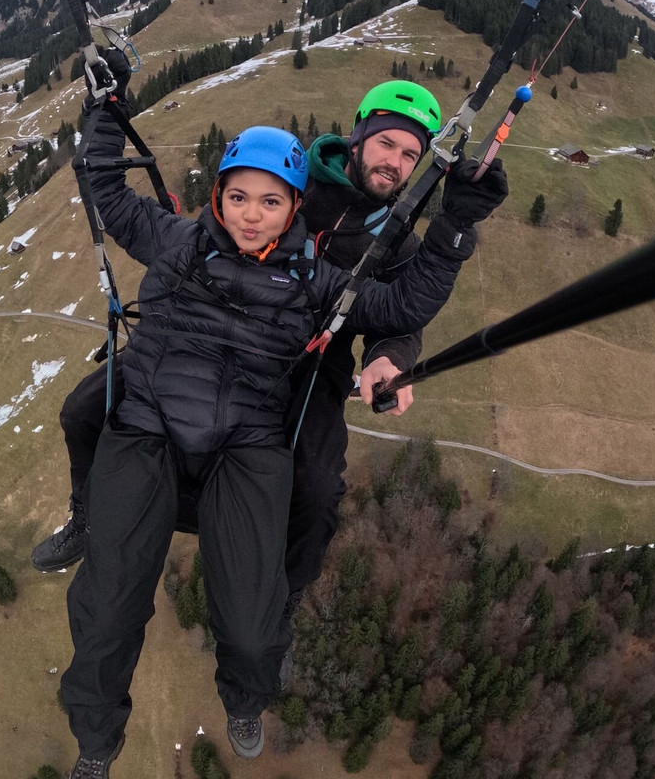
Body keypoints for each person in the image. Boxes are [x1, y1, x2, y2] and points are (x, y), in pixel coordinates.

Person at [60, 93, 478, 775]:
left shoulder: (319, 279)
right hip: (150, 425)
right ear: (219, 198)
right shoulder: (179, 240)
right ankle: (96, 741)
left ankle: (248, 690)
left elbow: (401, 305)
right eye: (238, 198)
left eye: (270, 203)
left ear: (293, 210)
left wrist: (455, 227)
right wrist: (105, 112)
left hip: (246, 440)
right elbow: (106, 191)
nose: (252, 215)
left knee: (261, 615)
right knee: (106, 607)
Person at [33, 80, 509, 620]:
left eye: (409, 155)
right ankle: (88, 516)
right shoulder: (295, 180)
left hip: (313, 360)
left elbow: (398, 312)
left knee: (317, 489)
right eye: (386, 144)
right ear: (358, 138)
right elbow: (220, 220)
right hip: (210, 329)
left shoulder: (397, 239)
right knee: (83, 411)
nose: (394, 164)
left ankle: (284, 596)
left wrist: (389, 357)